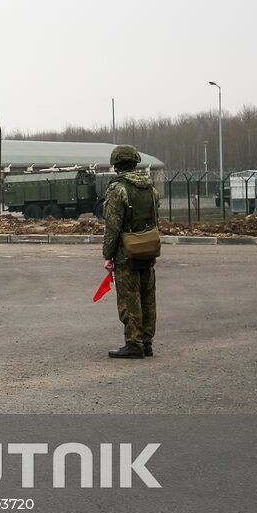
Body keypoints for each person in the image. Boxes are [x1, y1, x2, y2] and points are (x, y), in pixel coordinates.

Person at [102, 145, 160, 359]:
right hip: (148, 247)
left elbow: (113, 226)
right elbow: (155, 219)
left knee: (129, 297)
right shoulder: (150, 188)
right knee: (148, 296)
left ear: (116, 164)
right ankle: (146, 342)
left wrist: (107, 255)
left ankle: (133, 343)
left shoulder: (118, 189)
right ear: (135, 162)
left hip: (126, 251)